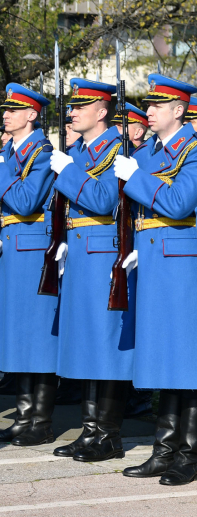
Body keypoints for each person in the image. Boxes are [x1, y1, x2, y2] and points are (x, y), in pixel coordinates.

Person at [44, 79, 135, 462]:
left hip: (103, 255)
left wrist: (66, 171)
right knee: (84, 344)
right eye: (72, 107)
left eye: (80, 106)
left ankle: (109, 435)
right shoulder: (79, 150)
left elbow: (101, 200)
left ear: (102, 111)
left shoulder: (118, 149)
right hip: (80, 255)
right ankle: (89, 431)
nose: (72, 112)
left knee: (104, 346)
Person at [116, 75, 197, 486]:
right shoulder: (151, 151)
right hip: (154, 260)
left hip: (182, 265)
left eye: (158, 105)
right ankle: (163, 449)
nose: (148, 110)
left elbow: (180, 203)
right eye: (148, 104)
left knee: (185, 358)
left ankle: (189, 453)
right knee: (164, 357)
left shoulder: (194, 151)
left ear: (179, 111)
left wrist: (136, 177)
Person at [0, 84, 58, 446]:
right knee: (18, 336)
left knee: (36, 337)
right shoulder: (11, 150)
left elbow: (26, 202)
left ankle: (40, 422)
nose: (5, 114)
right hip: (13, 247)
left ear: (32, 115)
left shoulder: (40, 151)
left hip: (31, 249)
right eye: (4, 109)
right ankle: (23, 416)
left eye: (14, 109)